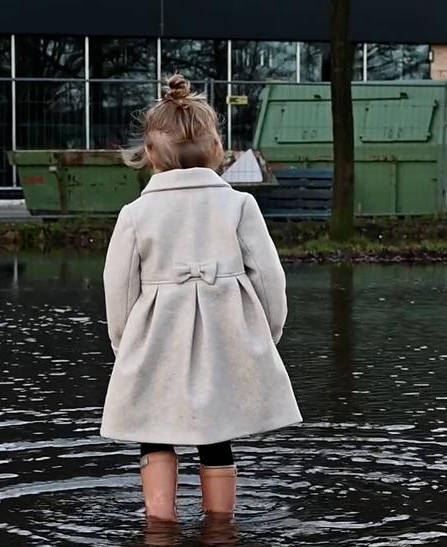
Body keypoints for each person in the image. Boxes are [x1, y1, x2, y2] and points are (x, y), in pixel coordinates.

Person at [100, 74, 301, 522]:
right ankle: (219, 529)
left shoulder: (135, 214)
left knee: (154, 430)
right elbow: (270, 278)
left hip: (154, 337)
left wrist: (124, 345)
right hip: (228, 335)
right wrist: (263, 335)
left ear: (150, 155)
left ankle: (160, 527)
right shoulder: (240, 205)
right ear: (217, 148)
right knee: (216, 431)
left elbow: (118, 287)